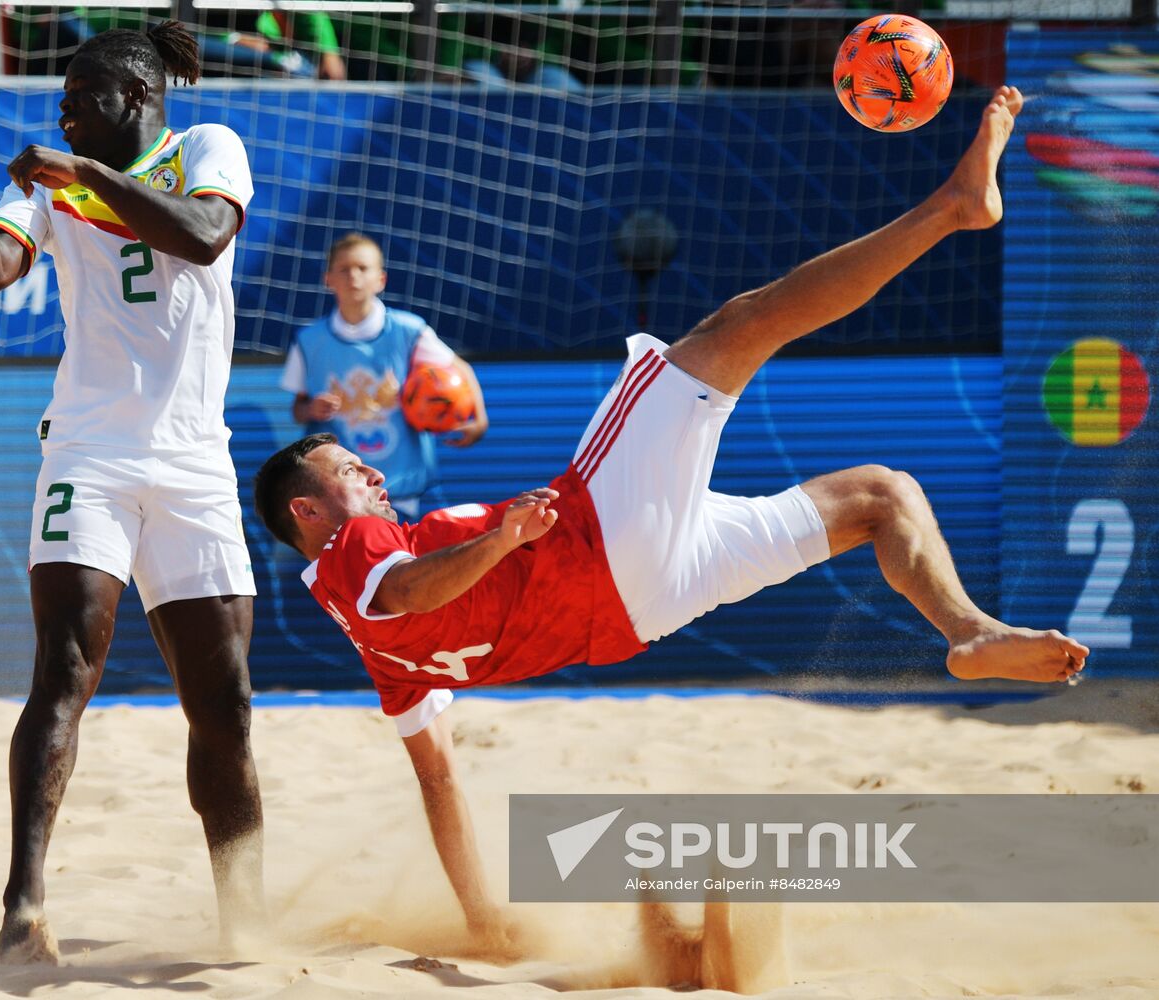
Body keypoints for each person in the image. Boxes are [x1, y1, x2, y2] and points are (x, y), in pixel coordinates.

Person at [253, 87, 1090, 948]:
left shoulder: (384, 665)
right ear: (307, 509)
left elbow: (438, 784)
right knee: (742, 324)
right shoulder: (355, 552)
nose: (372, 474)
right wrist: (502, 538)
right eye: (350, 469)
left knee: (880, 496)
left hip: (640, 611)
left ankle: (968, 632)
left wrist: (482, 923)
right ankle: (952, 208)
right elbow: (412, 592)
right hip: (602, 535)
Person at [0, 21, 265, 964]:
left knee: (225, 706)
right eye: (62, 106)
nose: (66, 116)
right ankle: (23, 906)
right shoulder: (57, 188)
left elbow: (206, 236)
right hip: (87, 454)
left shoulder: (206, 149)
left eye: (79, 101)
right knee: (62, 670)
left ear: (135, 98)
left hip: (193, 464)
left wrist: (79, 176)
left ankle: (244, 919)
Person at [283, 233, 489, 519]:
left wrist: (479, 419)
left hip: (408, 489)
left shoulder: (409, 331)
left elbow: (461, 369)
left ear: (381, 279)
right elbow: (297, 409)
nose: (353, 276)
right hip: (344, 498)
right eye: (344, 269)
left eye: (363, 268)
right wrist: (310, 409)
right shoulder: (309, 341)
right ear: (328, 278)